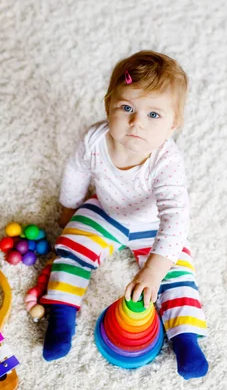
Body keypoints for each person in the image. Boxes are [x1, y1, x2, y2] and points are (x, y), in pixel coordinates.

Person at [39, 50, 208, 380]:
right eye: (127, 108)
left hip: (154, 224)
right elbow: (75, 170)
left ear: (174, 124)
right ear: (108, 105)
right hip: (105, 210)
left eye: (154, 115)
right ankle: (60, 315)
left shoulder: (166, 161)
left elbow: (175, 216)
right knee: (70, 250)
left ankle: (185, 338)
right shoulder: (95, 139)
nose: (136, 122)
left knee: (178, 274)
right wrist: (69, 208)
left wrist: (154, 270)